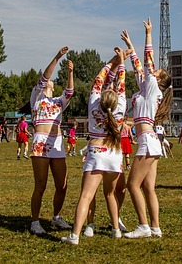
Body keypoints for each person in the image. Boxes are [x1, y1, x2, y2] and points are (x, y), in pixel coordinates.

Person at [62, 47, 129, 245]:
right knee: (110, 194)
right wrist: (122, 61)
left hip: (96, 152)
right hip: (114, 154)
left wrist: (111, 62)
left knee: (85, 196)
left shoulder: (93, 103)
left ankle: (75, 235)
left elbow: (98, 80)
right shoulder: (121, 106)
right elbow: (122, 83)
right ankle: (116, 230)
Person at [121, 19, 172, 239]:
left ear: (159, 80)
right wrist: (130, 45)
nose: (153, 72)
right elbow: (138, 66)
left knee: (133, 185)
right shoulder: (147, 87)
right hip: (150, 140)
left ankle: (143, 226)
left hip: (147, 141)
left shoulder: (153, 88)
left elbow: (148, 61)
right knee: (148, 188)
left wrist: (149, 34)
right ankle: (155, 227)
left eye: (157, 73)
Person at [29, 47, 74, 235]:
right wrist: (57, 57)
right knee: (40, 184)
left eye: (51, 83)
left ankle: (56, 217)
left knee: (62, 185)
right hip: (40, 142)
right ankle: (35, 221)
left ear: (54, 88)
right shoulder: (37, 98)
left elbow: (70, 92)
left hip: (56, 143)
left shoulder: (58, 102)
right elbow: (44, 78)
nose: (49, 83)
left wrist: (70, 73)